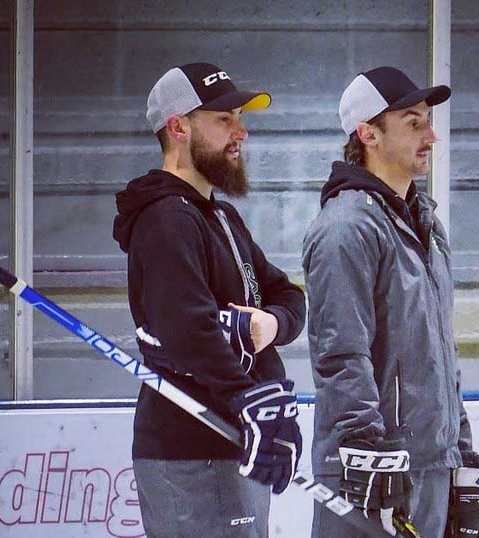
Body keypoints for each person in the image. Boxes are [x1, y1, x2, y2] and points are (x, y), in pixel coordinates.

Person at [302, 66, 479, 538]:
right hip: (373, 475)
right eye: (413, 123)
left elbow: (440, 353)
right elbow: (340, 355)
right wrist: (368, 456)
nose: (431, 135)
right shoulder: (346, 228)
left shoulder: (425, 225)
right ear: (367, 133)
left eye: (428, 121)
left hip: (431, 467)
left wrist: (459, 452)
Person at [113, 62, 306, 538]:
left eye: (240, 118)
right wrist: (247, 399)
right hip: (190, 447)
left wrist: (270, 325)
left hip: (233, 440)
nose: (241, 132)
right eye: (224, 119)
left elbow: (288, 296)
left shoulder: (220, 217)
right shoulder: (165, 220)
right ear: (178, 127)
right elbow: (188, 331)